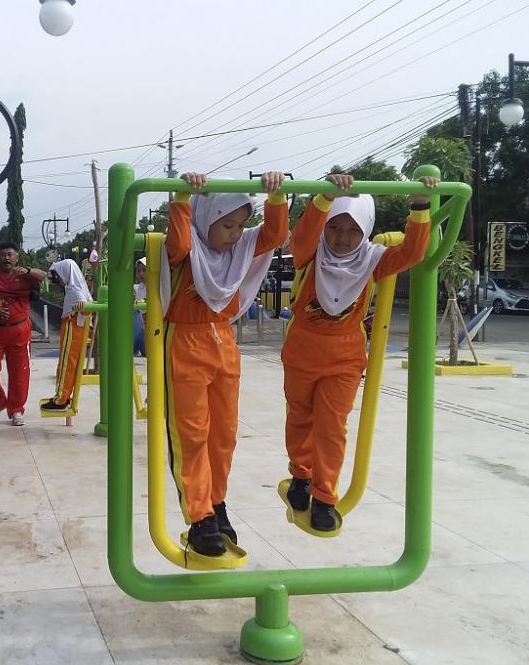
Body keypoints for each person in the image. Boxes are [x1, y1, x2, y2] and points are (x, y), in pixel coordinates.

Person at [281, 174, 437, 532]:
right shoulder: (310, 254)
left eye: (353, 231)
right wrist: (324, 197)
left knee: (332, 426)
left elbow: (413, 252)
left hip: (344, 355)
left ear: (366, 230)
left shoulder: (373, 260)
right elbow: (303, 235)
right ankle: (301, 476)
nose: (342, 238)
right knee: (300, 416)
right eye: (335, 227)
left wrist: (419, 206)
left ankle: (324, 496)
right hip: (302, 348)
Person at [162, 170, 289, 556]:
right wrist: (184, 197)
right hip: (185, 341)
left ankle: (217, 503)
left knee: (224, 435)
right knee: (192, 433)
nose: (236, 233)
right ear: (205, 220)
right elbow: (181, 238)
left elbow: (274, 235)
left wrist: (276, 196)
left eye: (241, 224)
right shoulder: (186, 252)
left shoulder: (238, 252)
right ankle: (199, 515)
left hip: (223, 341)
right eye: (227, 225)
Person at [0, 243, 47, 426]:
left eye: (10, 254)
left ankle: (16, 410)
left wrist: (27, 270)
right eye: (3, 254)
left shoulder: (25, 277)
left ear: (17, 258)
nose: (6, 257)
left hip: (20, 331)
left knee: (19, 373)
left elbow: (44, 276)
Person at [41, 259, 92, 414]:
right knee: (71, 363)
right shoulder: (78, 287)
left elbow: (84, 308)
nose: (58, 279)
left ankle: (61, 399)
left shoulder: (75, 290)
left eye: (58, 275)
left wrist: (79, 316)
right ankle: (64, 395)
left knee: (66, 363)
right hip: (77, 326)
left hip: (73, 325)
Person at [133, 258, 147, 356]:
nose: (141, 274)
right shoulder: (139, 288)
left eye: (144, 270)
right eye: (138, 271)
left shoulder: (157, 286)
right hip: (143, 324)